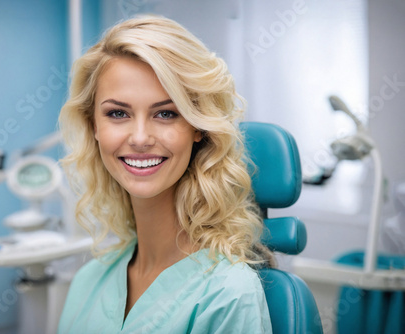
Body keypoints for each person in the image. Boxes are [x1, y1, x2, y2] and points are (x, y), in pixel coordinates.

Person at [57, 15, 273, 333]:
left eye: (166, 113)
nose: (141, 137)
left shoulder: (227, 295)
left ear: (197, 126)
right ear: (94, 127)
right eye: (118, 113)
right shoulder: (89, 282)